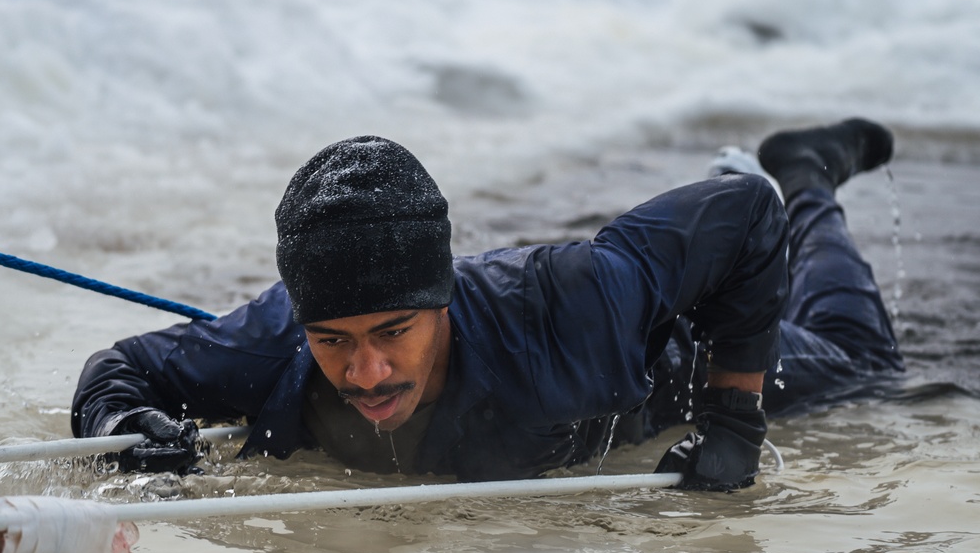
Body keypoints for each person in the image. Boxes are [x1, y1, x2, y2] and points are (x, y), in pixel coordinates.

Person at [70, 118, 902, 490]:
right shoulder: (270, 343)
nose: (366, 372)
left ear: (444, 302)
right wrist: (120, 430)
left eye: (393, 331)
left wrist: (732, 421)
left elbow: (744, 218)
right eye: (333, 339)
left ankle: (809, 172)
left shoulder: (576, 299)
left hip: (679, 356)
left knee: (863, 354)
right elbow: (122, 371)